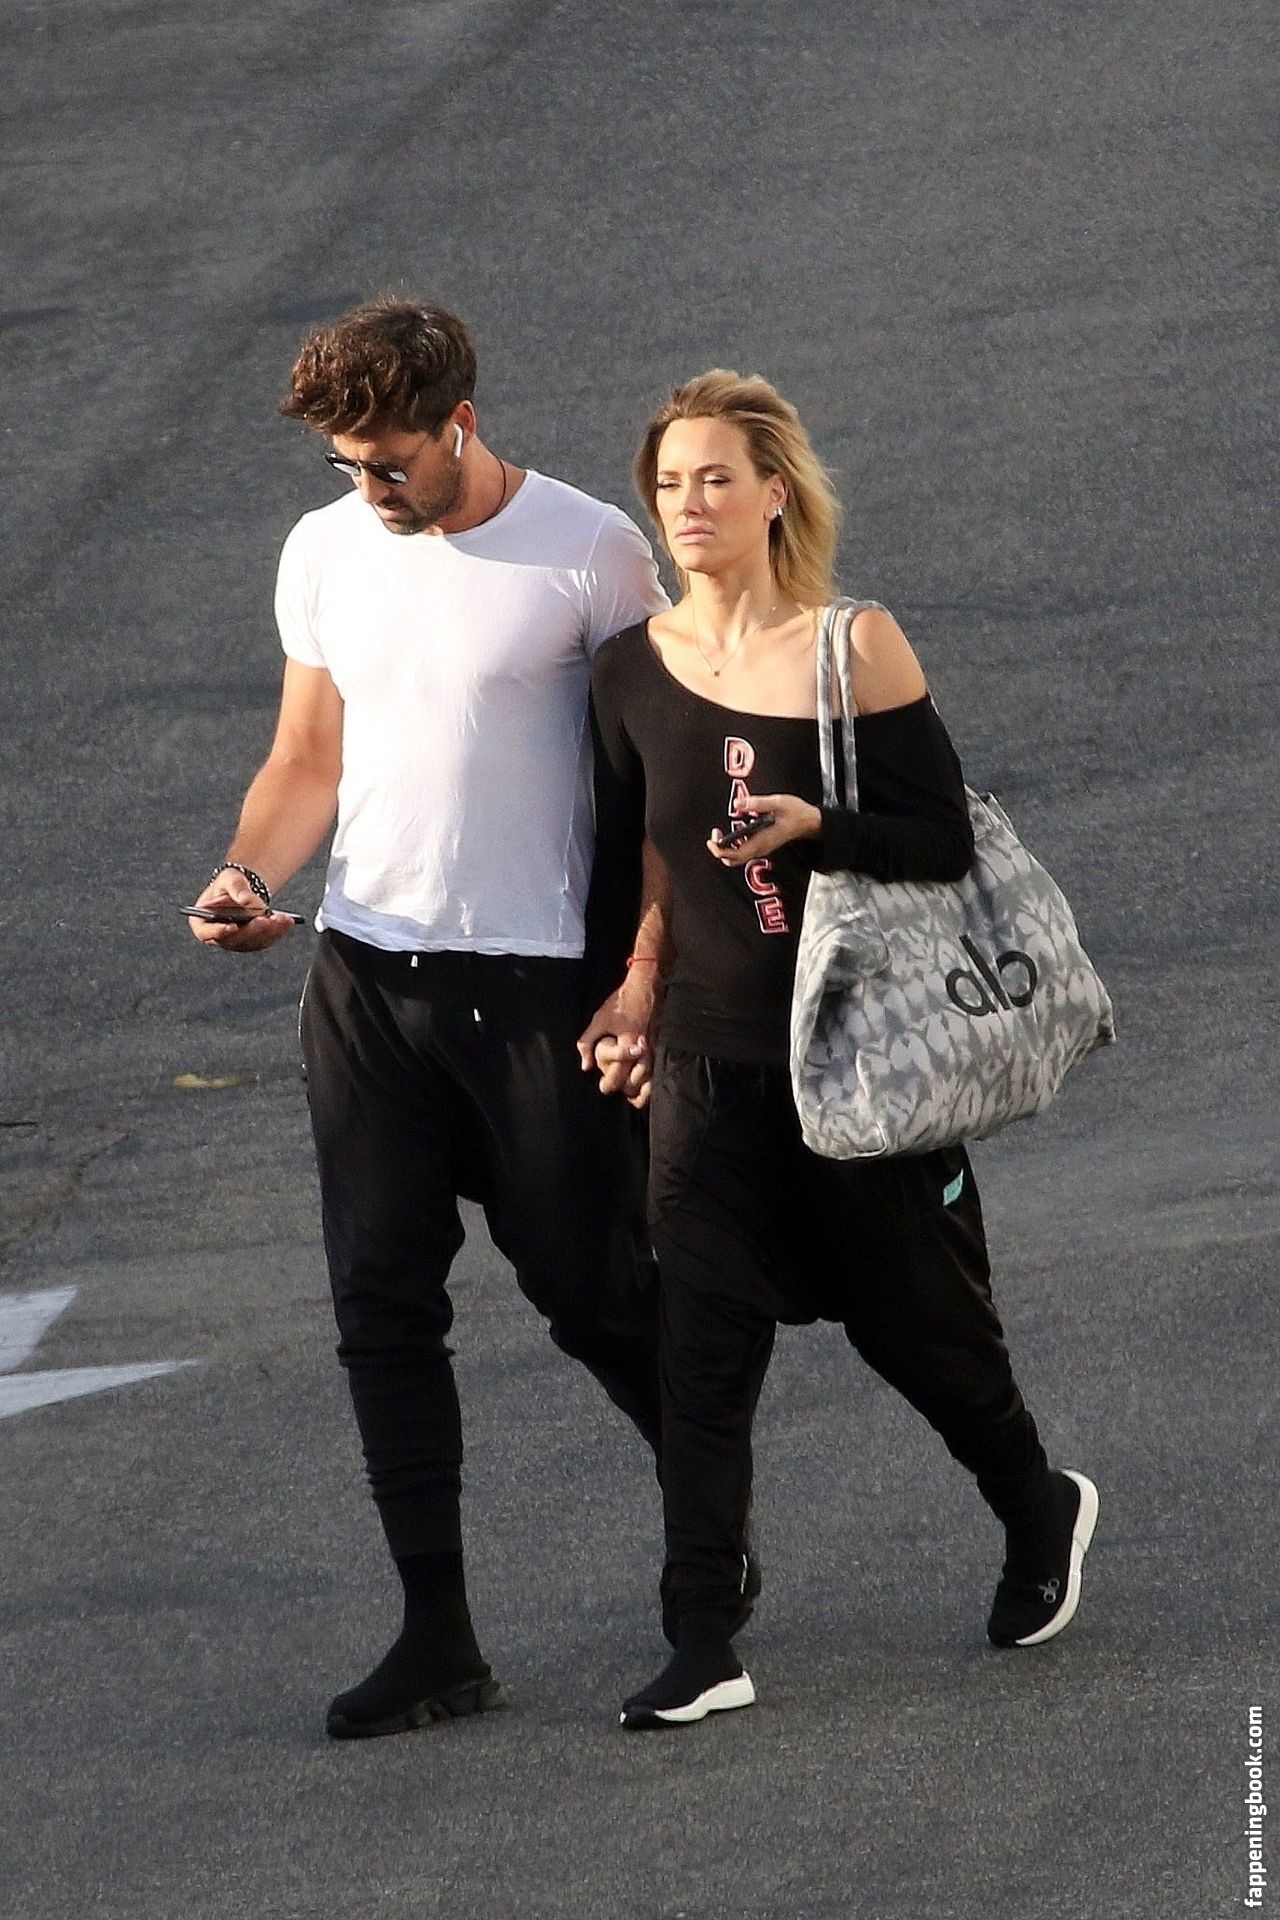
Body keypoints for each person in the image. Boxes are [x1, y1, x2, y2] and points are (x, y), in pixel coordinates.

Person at [186, 298, 675, 1740]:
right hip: (368, 980)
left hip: (535, 986)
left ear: (460, 422)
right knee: (381, 1309)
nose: (370, 489)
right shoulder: (326, 549)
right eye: (347, 465)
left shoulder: (591, 551)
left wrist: (647, 973)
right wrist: (245, 876)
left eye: (390, 462)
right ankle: (437, 1636)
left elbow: (659, 784)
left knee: (593, 1294)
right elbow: (306, 755)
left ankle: (709, 1530)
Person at [586, 370, 1100, 1731]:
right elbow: (647, 858)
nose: (688, 503)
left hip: (860, 1061)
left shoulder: (851, 645)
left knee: (925, 1338)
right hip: (707, 1067)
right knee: (699, 1351)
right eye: (668, 483)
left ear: (773, 493)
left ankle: (1036, 1504)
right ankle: (703, 1637)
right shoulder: (629, 669)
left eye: (715, 478)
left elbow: (940, 839)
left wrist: (819, 827)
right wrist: (635, 991)